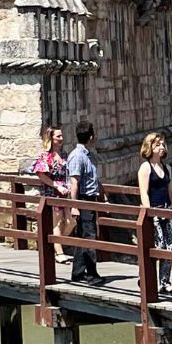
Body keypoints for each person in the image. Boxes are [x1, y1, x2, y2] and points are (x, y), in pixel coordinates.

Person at [137, 131, 172, 296]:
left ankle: (165, 282)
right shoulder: (145, 167)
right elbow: (143, 192)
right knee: (158, 246)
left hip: (167, 210)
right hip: (154, 211)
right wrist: (150, 213)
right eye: (157, 144)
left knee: (169, 248)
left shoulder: (167, 168)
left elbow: (170, 191)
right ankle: (146, 277)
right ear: (150, 147)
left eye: (163, 144)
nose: (161, 147)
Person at [65, 119, 103, 283]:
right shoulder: (77, 156)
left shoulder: (88, 155)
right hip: (83, 199)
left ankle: (78, 272)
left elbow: (93, 179)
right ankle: (91, 273)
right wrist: (75, 206)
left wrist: (103, 195)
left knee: (83, 235)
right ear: (91, 137)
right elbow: (74, 182)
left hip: (90, 198)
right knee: (88, 236)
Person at [33, 125, 72, 261]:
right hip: (53, 192)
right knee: (56, 222)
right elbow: (40, 174)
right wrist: (56, 185)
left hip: (65, 192)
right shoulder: (46, 156)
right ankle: (59, 253)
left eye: (61, 136)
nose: (61, 139)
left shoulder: (64, 154)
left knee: (71, 222)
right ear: (51, 138)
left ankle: (56, 244)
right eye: (58, 136)